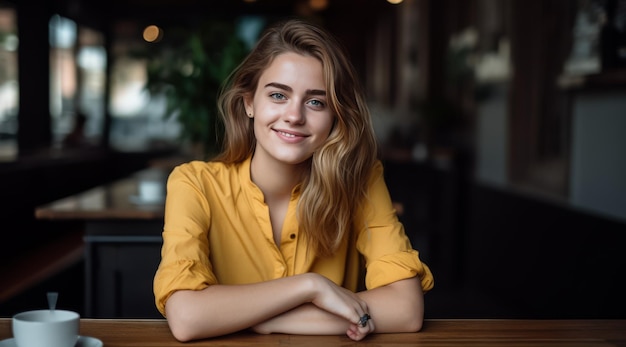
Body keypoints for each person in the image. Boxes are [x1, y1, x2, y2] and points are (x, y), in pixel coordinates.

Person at [153, 18, 434, 342]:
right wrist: (310, 286)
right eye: (277, 95)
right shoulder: (194, 184)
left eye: (316, 102)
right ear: (249, 102)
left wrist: (265, 319)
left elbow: (406, 310)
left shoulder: (360, 181)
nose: (295, 115)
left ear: (335, 116)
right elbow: (188, 318)